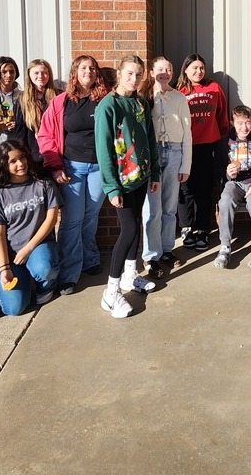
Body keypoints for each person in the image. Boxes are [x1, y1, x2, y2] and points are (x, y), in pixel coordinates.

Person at [95, 55, 162, 319]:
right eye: (129, 74)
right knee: (130, 227)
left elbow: (151, 140)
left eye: (138, 74)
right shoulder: (108, 106)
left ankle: (130, 276)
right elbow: (103, 149)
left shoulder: (141, 103)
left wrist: (154, 172)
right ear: (119, 74)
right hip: (121, 182)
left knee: (136, 226)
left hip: (141, 178)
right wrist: (111, 188)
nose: (134, 79)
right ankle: (110, 292)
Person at [37, 55, 109, 294]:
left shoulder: (105, 100)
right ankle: (68, 272)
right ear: (75, 72)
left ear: (97, 73)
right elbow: (45, 136)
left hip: (100, 168)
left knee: (90, 216)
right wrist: (55, 167)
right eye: (83, 68)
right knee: (71, 220)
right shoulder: (61, 102)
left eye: (92, 68)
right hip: (71, 169)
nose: (88, 71)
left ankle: (89, 258)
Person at [0, 139, 61, 315]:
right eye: (12, 161)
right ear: (4, 165)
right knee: (14, 309)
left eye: (22, 158)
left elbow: (51, 219)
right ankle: (24, 284)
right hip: (12, 255)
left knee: (44, 268)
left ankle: (46, 286)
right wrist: (4, 268)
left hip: (38, 246)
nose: (20, 164)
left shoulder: (44, 184)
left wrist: (28, 248)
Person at [140, 56, 192, 279]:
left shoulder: (179, 98)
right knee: (152, 208)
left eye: (168, 69)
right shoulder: (143, 96)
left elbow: (187, 131)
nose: (164, 72)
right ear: (151, 72)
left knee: (170, 206)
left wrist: (185, 164)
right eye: (160, 69)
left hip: (174, 151)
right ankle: (151, 255)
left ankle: (167, 249)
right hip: (152, 153)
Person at [176, 53, 229, 251]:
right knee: (186, 190)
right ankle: (186, 227)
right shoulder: (178, 91)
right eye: (194, 68)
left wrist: (222, 141)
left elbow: (223, 116)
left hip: (208, 146)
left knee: (205, 191)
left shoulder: (214, 88)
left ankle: (202, 230)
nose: (198, 71)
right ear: (186, 70)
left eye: (202, 68)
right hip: (185, 147)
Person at [213, 105, 251, 271]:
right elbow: (216, 168)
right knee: (225, 201)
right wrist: (226, 172)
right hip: (234, 183)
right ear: (232, 123)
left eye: (247, 122)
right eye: (239, 123)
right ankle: (225, 247)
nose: (244, 127)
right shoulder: (225, 142)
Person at [14, 58, 59, 165]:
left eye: (44, 73)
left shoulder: (58, 96)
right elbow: (19, 133)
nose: (41, 76)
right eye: (36, 73)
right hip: (33, 155)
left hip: (56, 153)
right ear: (29, 75)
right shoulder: (22, 100)